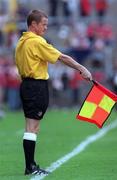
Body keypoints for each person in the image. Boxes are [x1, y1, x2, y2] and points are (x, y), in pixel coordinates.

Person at [15, 9, 92, 176]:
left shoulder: (22, 41)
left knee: (31, 127)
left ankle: (31, 164)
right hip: (36, 86)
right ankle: (30, 166)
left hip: (27, 85)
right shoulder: (36, 41)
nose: (46, 28)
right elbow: (62, 57)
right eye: (43, 24)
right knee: (32, 128)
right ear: (33, 24)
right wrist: (81, 68)